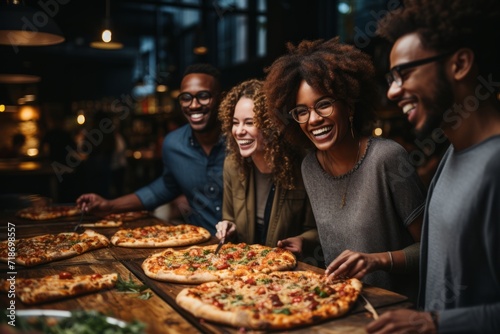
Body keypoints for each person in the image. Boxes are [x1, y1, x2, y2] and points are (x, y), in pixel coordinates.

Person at [366, 1, 500, 333]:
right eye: (390, 78)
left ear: (460, 64)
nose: (393, 91)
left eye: (404, 74)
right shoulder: (453, 155)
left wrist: (433, 323)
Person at [263, 37, 426, 301]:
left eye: (324, 104)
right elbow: (341, 230)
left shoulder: (386, 158)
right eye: (301, 111)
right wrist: (307, 240)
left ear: (348, 105)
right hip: (340, 305)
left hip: (395, 312)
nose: (314, 119)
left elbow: (433, 247)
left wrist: (378, 260)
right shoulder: (310, 167)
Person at [77, 64, 225, 235]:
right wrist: (110, 205)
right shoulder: (173, 144)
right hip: (201, 247)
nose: (193, 105)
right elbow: (163, 188)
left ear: (221, 99)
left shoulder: (241, 140)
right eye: (186, 98)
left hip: (248, 248)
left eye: (203, 96)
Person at [214, 79, 319, 259]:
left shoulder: (304, 166)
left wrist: (303, 241)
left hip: (290, 273)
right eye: (235, 122)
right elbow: (229, 217)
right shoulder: (232, 165)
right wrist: (228, 227)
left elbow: (318, 231)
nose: (238, 131)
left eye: (249, 123)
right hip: (244, 269)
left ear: (271, 125)